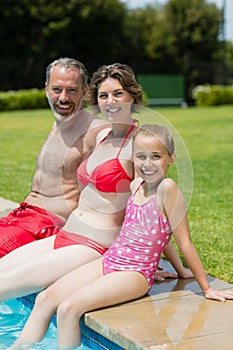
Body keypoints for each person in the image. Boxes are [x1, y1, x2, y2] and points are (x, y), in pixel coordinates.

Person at [8, 123, 233, 350]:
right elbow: (161, 236)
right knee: (45, 299)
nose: (147, 163)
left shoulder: (168, 188)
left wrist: (206, 288)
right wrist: (180, 270)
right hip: (110, 260)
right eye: (140, 156)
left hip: (134, 272)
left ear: (170, 158)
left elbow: (184, 242)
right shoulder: (136, 185)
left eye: (155, 156)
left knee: (68, 309)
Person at [0, 63, 190, 302]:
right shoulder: (102, 135)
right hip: (67, 234)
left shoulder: (138, 146)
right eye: (103, 95)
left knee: (3, 286)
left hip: (92, 245)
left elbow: (154, 211)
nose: (110, 101)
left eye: (118, 93)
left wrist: (161, 265)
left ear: (133, 96)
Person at [0, 57, 108, 257]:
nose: (63, 98)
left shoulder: (96, 131)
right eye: (57, 90)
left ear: (85, 92)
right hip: (22, 217)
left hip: (48, 225)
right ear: (46, 89)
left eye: (72, 90)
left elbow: (120, 194)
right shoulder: (60, 120)